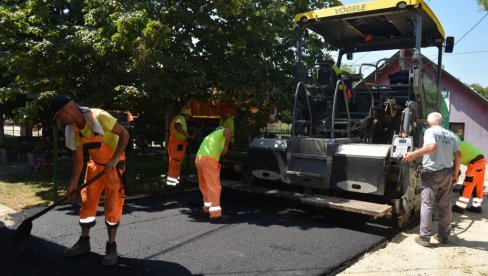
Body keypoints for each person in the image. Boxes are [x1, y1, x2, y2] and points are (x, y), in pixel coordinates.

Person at [51, 95, 129, 266]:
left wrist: (115, 158)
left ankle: (111, 246)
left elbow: (125, 134)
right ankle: (84, 242)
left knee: (113, 205)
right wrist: (73, 183)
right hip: (95, 167)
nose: (60, 120)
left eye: (60, 116)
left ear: (66, 111)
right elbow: (78, 160)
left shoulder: (99, 117)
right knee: (87, 202)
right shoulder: (72, 129)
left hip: (114, 167)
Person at [403, 112, 461, 247]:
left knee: (427, 204)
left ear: (429, 123)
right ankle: (444, 236)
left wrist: (413, 154)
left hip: (431, 173)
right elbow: (458, 155)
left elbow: (431, 147)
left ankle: (424, 237)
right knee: (445, 206)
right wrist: (455, 174)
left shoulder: (430, 131)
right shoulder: (450, 134)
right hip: (447, 173)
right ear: (441, 122)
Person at [194, 127, 232, 221]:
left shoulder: (209, 137)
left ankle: (207, 208)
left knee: (205, 185)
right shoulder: (221, 132)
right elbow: (228, 131)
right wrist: (226, 147)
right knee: (214, 187)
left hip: (199, 159)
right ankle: (215, 214)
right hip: (208, 160)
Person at [452, 139, 485, 214]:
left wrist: (455, 175)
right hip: (481, 162)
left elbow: (456, 160)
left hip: (475, 163)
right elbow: (455, 162)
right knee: (477, 186)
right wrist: (456, 172)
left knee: (468, 185)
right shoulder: (457, 143)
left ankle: (460, 207)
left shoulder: (452, 147)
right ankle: (476, 207)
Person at [167, 106, 192, 186]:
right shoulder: (180, 118)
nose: (189, 118)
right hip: (177, 145)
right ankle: (172, 185)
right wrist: (187, 136)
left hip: (177, 145)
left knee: (175, 164)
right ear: (187, 115)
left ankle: (174, 183)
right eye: (189, 116)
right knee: (175, 164)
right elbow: (177, 126)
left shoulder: (178, 118)